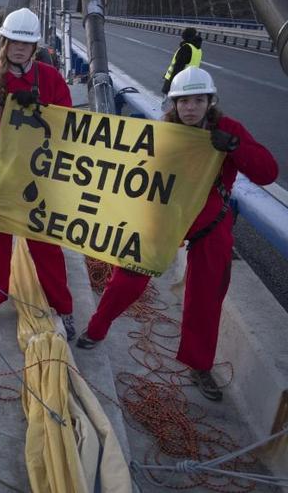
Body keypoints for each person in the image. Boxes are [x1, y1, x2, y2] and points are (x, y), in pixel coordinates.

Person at [75, 67, 278, 402]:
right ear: (174, 103)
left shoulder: (227, 130)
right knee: (129, 277)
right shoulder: (164, 133)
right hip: (165, 218)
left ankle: (199, 364)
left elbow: (267, 171)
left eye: (199, 100)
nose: (191, 107)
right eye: (184, 101)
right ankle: (97, 328)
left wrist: (235, 147)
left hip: (209, 224)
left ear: (210, 102)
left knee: (207, 294)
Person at [0, 7, 76, 338]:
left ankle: (63, 309)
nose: (18, 48)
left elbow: (70, 130)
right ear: (4, 43)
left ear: (34, 47)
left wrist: (40, 109)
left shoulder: (51, 80)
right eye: (13, 41)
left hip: (39, 183)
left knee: (46, 250)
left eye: (25, 43)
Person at [161, 27, 203, 97]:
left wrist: (169, 86)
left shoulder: (186, 48)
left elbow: (178, 67)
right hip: (189, 81)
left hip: (178, 81)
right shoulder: (198, 49)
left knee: (169, 105)